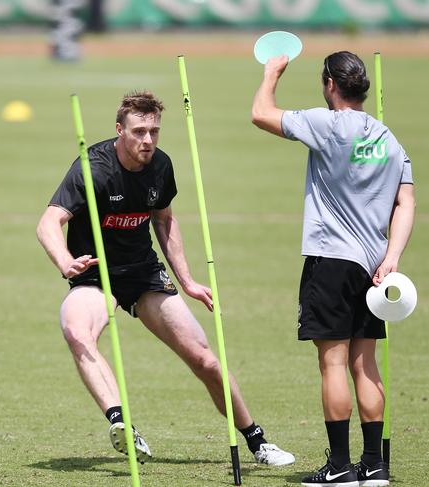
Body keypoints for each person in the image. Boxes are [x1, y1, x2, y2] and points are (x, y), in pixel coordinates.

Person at [37, 90, 295, 466]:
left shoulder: (160, 165)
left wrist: (187, 281)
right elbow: (48, 222)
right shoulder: (92, 168)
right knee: (77, 331)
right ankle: (121, 423)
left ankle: (258, 441)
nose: (147, 140)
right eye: (139, 131)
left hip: (143, 273)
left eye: (154, 131)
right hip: (95, 274)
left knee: (204, 360)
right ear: (119, 130)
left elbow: (164, 218)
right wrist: (64, 259)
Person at [252, 52, 415, 487]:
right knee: (366, 365)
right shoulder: (388, 138)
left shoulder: (327, 124)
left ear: (330, 85)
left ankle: (340, 466)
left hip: (331, 261)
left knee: (333, 364)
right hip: (375, 269)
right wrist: (393, 256)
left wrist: (271, 74)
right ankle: (374, 465)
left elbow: (260, 114)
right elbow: (407, 201)